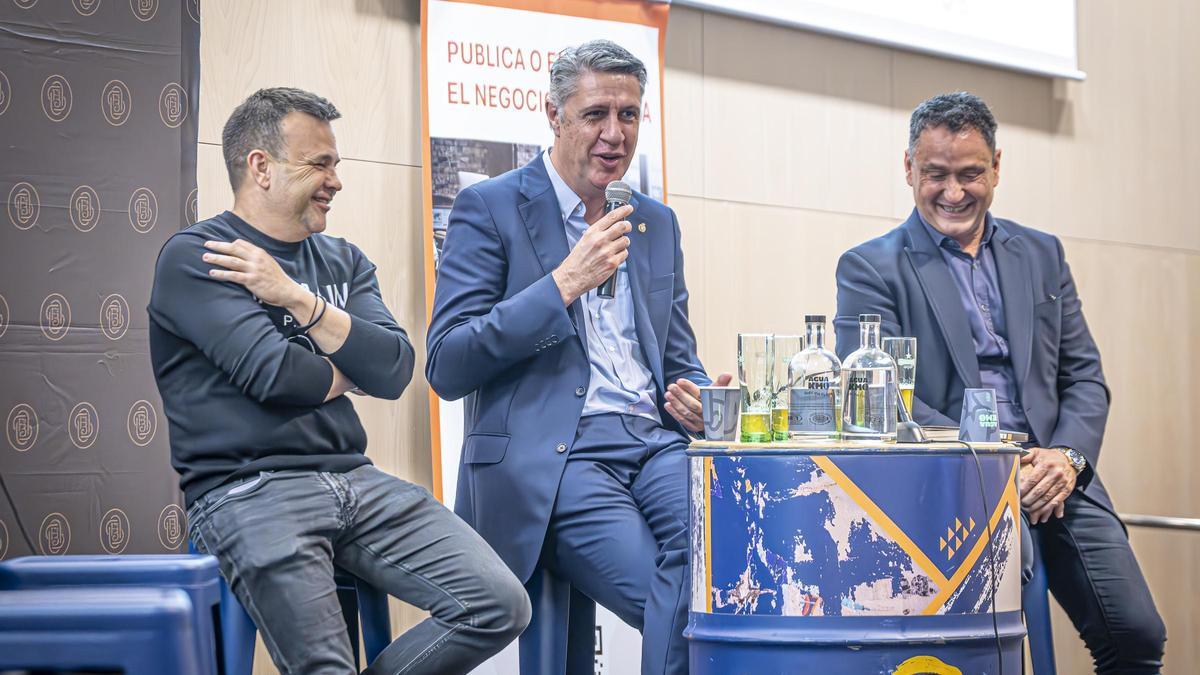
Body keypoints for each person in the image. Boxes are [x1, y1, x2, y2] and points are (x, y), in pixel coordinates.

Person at [148, 87, 529, 675]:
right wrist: (349, 365)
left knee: (501, 605)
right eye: (319, 163)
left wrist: (296, 300)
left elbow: (397, 368)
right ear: (261, 167)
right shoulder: (200, 255)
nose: (335, 180)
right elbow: (279, 377)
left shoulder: (343, 261)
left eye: (336, 164)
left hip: (356, 479)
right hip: (249, 491)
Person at [834, 92, 1165, 673]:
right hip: (958, 481)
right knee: (1015, 639)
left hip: (1057, 476)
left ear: (997, 168)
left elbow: (1083, 376)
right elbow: (883, 397)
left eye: (971, 174)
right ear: (909, 168)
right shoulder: (868, 267)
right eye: (935, 174)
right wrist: (1007, 457)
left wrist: (1064, 458)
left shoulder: (1040, 253)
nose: (954, 192)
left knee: (1137, 634)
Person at [426, 40, 727, 675]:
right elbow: (448, 362)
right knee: (672, 602)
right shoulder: (491, 206)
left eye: (630, 115)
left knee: (723, 565)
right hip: (564, 454)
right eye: (595, 114)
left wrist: (697, 394)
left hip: (657, 443)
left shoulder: (653, 222)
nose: (614, 134)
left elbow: (678, 357)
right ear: (553, 114)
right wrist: (563, 284)